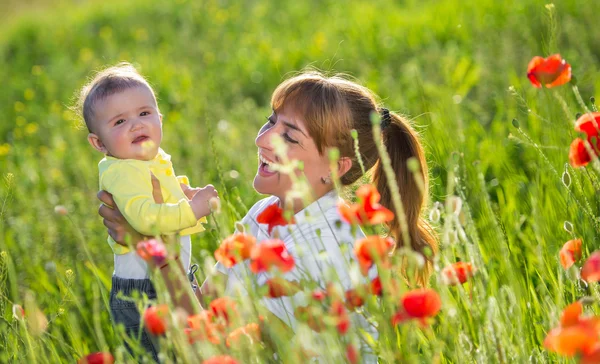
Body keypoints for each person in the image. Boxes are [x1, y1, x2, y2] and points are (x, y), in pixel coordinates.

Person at [98, 71, 437, 359]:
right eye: (271, 121)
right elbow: (204, 311)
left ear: (336, 167)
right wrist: (167, 223)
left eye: (289, 136)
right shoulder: (265, 212)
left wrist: (158, 253)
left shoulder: (324, 250)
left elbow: (213, 352)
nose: (262, 139)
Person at [79, 63, 218, 361]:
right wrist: (192, 209)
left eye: (144, 113)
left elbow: (158, 192)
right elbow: (145, 219)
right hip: (144, 292)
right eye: (119, 121)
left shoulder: (143, 161)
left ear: (160, 118)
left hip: (166, 278)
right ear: (99, 143)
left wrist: (182, 192)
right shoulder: (123, 171)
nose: (136, 125)